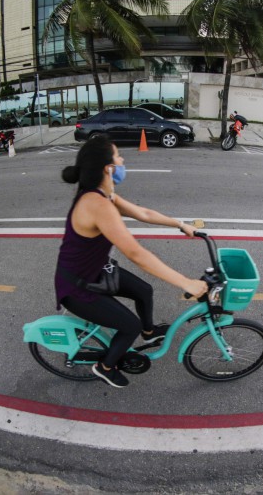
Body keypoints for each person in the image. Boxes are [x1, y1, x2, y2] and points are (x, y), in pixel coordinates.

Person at [54, 134, 208, 388]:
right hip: (78, 286)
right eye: (118, 156)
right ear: (108, 167)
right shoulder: (96, 204)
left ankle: (149, 333)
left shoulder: (104, 195)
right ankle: (104, 366)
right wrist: (186, 282)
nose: (123, 159)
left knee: (143, 290)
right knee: (129, 326)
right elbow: (136, 253)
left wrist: (180, 224)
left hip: (95, 271)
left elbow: (143, 213)